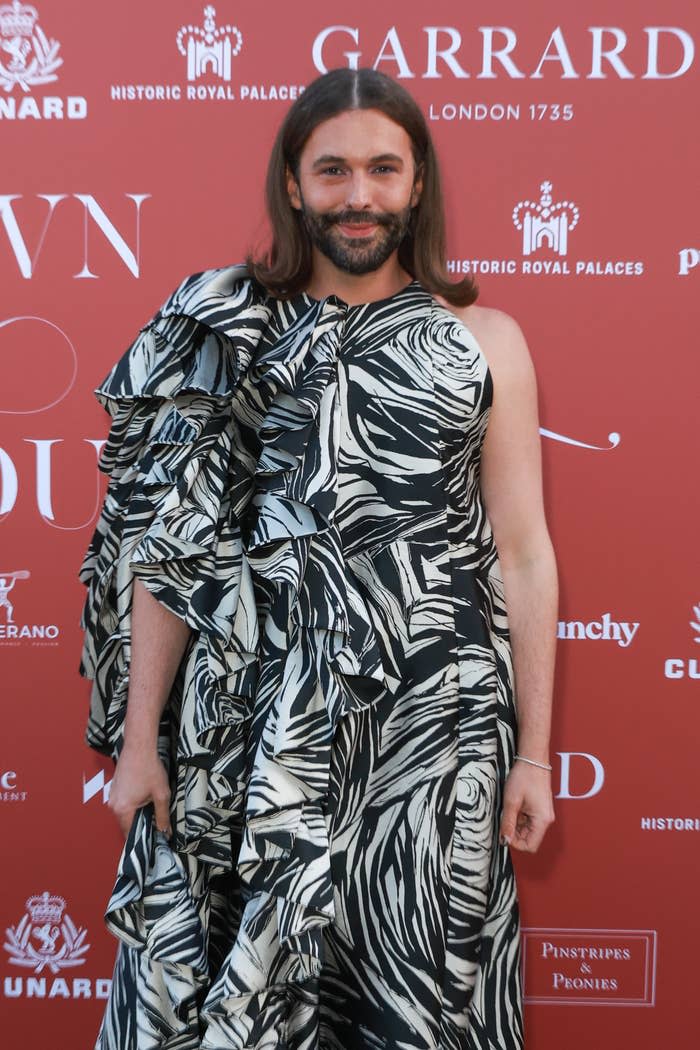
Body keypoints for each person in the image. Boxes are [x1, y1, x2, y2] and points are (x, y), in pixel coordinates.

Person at [79, 67, 557, 1050]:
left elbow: (521, 554)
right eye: (331, 170)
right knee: (246, 993)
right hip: (250, 730)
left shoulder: (486, 341)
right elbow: (170, 556)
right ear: (292, 186)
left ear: (416, 184)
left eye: (382, 169)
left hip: (430, 735)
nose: (358, 196)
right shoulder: (224, 331)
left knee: (422, 991)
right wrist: (137, 745)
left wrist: (534, 754)